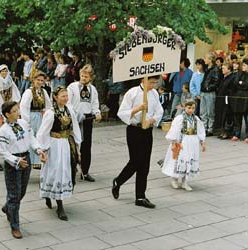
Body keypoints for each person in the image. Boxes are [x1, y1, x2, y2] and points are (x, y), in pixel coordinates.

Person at [112, 75, 163, 208]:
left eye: (154, 83)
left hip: (147, 130)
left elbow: (159, 110)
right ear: (143, 80)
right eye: (151, 82)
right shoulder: (132, 93)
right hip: (134, 129)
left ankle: (140, 196)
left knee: (145, 164)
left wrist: (152, 120)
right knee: (135, 161)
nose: (153, 86)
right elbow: (121, 112)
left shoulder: (154, 94)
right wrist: (138, 109)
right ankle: (118, 181)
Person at [0, 101, 46, 239]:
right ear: (7, 114)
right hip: (14, 163)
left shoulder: (24, 123)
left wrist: (38, 150)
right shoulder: (4, 130)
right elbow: (4, 152)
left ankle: (8, 207)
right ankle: (15, 226)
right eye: (14, 111)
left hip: (27, 158)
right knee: (14, 194)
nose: (17, 112)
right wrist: (16, 161)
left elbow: (31, 138)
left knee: (22, 191)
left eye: (17, 110)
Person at [37, 86, 81, 221]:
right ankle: (57, 203)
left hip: (66, 144)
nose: (66, 98)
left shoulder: (69, 110)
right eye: (62, 96)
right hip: (55, 145)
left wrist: (78, 146)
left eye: (66, 95)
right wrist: (43, 149)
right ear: (55, 97)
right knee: (54, 171)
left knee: (65, 171)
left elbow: (75, 128)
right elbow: (42, 132)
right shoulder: (51, 113)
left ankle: (57, 199)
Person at [162, 100, 206, 191]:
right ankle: (174, 179)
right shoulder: (180, 118)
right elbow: (174, 130)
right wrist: (174, 142)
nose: (191, 110)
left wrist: (202, 142)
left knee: (189, 159)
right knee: (179, 160)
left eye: (193, 108)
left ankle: (184, 181)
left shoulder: (196, 119)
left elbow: (200, 130)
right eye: (189, 108)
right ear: (184, 107)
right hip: (182, 141)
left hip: (193, 142)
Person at [67, 64, 101, 182]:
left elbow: (95, 103)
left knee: (86, 146)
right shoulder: (72, 87)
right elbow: (68, 102)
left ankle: (85, 172)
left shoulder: (93, 89)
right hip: (74, 118)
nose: (83, 78)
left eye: (86, 77)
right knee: (72, 145)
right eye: (82, 76)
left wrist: (97, 112)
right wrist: (72, 115)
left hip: (87, 119)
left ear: (91, 78)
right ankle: (70, 169)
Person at [20, 71, 52, 169]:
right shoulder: (29, 92)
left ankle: (40, 160)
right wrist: (26, 121)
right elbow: (24, 106)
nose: (40, 82)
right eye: (38, 80)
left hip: (41, 117)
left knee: (41, 137)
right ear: (33, 80)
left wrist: (47, 116)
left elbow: (48, 105)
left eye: (42, 80)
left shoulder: (44, 92)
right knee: (31, 137)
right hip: (32, 116)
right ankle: (30, 161)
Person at [200, 52, 220, 137]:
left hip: (210, 93)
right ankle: (204, 128)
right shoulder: (207, 68)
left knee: (210, 111)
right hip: (204, 92)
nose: (204, 59)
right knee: (203, 111)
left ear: (210, 59)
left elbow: (216, 81)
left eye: (205, 58)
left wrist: (208, 88)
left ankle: (210, 129)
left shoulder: (215, 69)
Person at [230, 58, 248, 143]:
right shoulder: (239, 73)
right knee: (237, 116)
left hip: (246, 99)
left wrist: (241, 83)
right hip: (238, 98)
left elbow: (246, 85)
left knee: (247, 117)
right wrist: (241, 83)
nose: (243, 67)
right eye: (242, 65)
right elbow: (235, 83)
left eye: (244, 65)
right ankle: (236, 134)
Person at [215, 62, 235, 139]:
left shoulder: (232, 77)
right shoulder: (223, 77)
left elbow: (232, 89)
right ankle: (222, 131)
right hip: (221, 99)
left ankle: (227, 132)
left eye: (224, 68)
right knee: (221, 115)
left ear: (229, 69)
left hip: (227, 99)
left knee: (226, 115)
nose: (222, 70)